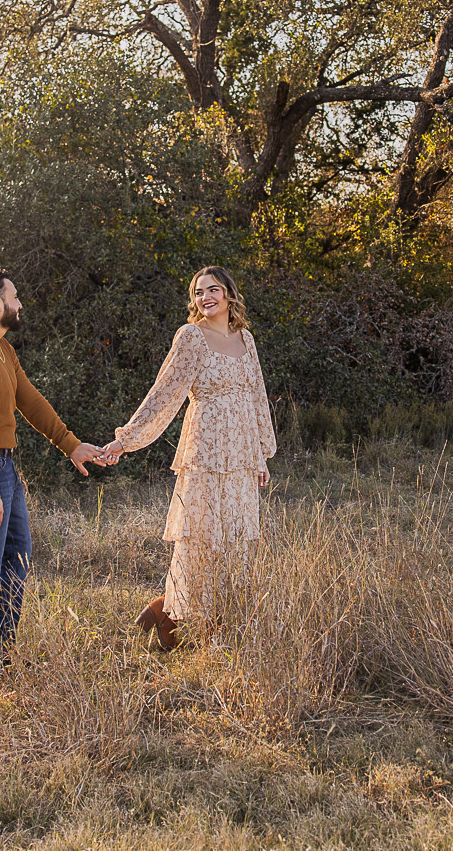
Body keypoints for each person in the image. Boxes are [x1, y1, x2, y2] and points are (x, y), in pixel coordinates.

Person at [97, 265, 276, 650]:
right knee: (202, 540)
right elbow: (165, 393)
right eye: (197, 293)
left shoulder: (246, 338)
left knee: (235, 541)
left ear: (229, 294)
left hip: (242, 455)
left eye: (212, 289)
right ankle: (182, 621)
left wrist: (261, 454)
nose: (204, 297)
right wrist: (125, 440)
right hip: (206, 452)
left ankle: (173, 614)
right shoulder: (191, 337)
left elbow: (257, 397)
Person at [0, 269, 108, 681]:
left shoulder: (1, 350)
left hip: (3, 468)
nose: (21, 305)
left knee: (16, 559)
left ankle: (0, 657)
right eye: (15, 297)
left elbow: (30, 401)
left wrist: (70, 444)